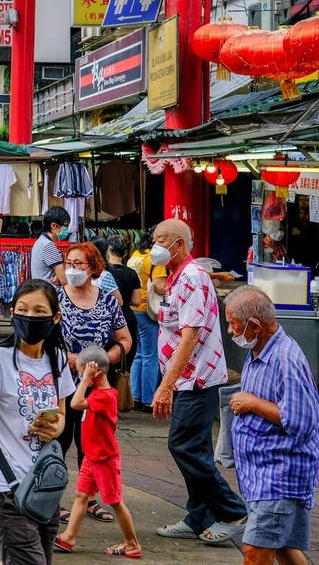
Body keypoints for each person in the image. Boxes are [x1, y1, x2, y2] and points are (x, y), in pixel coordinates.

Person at [0, 279, 75, 565]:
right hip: (6, 487)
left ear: (55, 317)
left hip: (45, 485)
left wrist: (55, 427)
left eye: (39, 311)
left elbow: (62, 416)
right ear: (12, 312)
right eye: (22, 309)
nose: (30, 317)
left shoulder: (57, 359)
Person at [151, 219, 247, 544]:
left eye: (162, 241)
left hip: (197, 379)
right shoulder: (178, 278)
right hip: (187, 380)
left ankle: (233, 511)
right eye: (155, 240)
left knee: (184, 447)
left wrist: (166, 385)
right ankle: (199, 515)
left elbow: (190, 337)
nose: (156, 247)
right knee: (198, 448)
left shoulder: (192, 277)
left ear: (180, 244)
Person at [224, 286, 319, 565]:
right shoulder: (260, 349)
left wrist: (252, 402)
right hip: (262, 473)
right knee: (283, 547)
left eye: (233, 324)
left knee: (255, 551)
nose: (230, 331)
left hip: (280, 475)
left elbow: (301, 421)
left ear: (254, 325)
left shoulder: (286, 360)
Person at [57, 242, 133, 524]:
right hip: (64, 384)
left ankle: (87, 499)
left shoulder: (107, 300)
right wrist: (67, 358)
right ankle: (51, 499)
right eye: (69, 263)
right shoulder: (55, 297)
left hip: (96, 386)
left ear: (94, 267)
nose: (73, 269)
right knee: (58, 441)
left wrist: (104, 359)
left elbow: (125, 340)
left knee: (90, 444)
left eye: (79, 264)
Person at [55, 346, 142, 558]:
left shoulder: (103, 396)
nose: (80, 377)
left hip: (103, 458)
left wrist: (85, 380)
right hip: (92, 456)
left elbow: (75, 403)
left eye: (82, 372)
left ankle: (132, 544)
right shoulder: (97, 393)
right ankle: (68, 537)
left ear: (96, 373)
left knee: (114, 500)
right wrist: (86, 378)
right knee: (81, 494)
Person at [126, 228, 167, 412]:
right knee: (151, 356)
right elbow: (160, 287)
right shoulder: (155, 260)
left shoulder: (135, 255)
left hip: (134, 308)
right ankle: (149, 399)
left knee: (140, 354)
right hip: (148, 310)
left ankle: (135, 395)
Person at [104, 235, 141, 359]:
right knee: (127, 358)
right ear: (125, 253)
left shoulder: (103, 272)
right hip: (127, 318)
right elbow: (137, 301)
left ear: (108, 250)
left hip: (108, 318)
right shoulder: (131, 273)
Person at [31, 207, 70, 285]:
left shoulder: (40, 241)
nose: (67, 229)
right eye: (65, 226)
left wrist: (57, 275)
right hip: (49, 292)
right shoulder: (48, 245)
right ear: (54, 225)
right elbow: (64, 281)